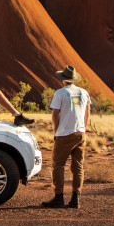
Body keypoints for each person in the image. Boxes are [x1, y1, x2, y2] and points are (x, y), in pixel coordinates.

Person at [42, 65, 90, 209]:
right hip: (80, 133)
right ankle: (76, 198)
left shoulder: (60, 93)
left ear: (63, 80)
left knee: (58, 164)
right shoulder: (83, 92)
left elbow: (55, 114)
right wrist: (83, 128)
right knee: (78, 166)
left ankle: (59, 197)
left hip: (64, 134)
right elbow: (87, 113)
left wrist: (56, 132)